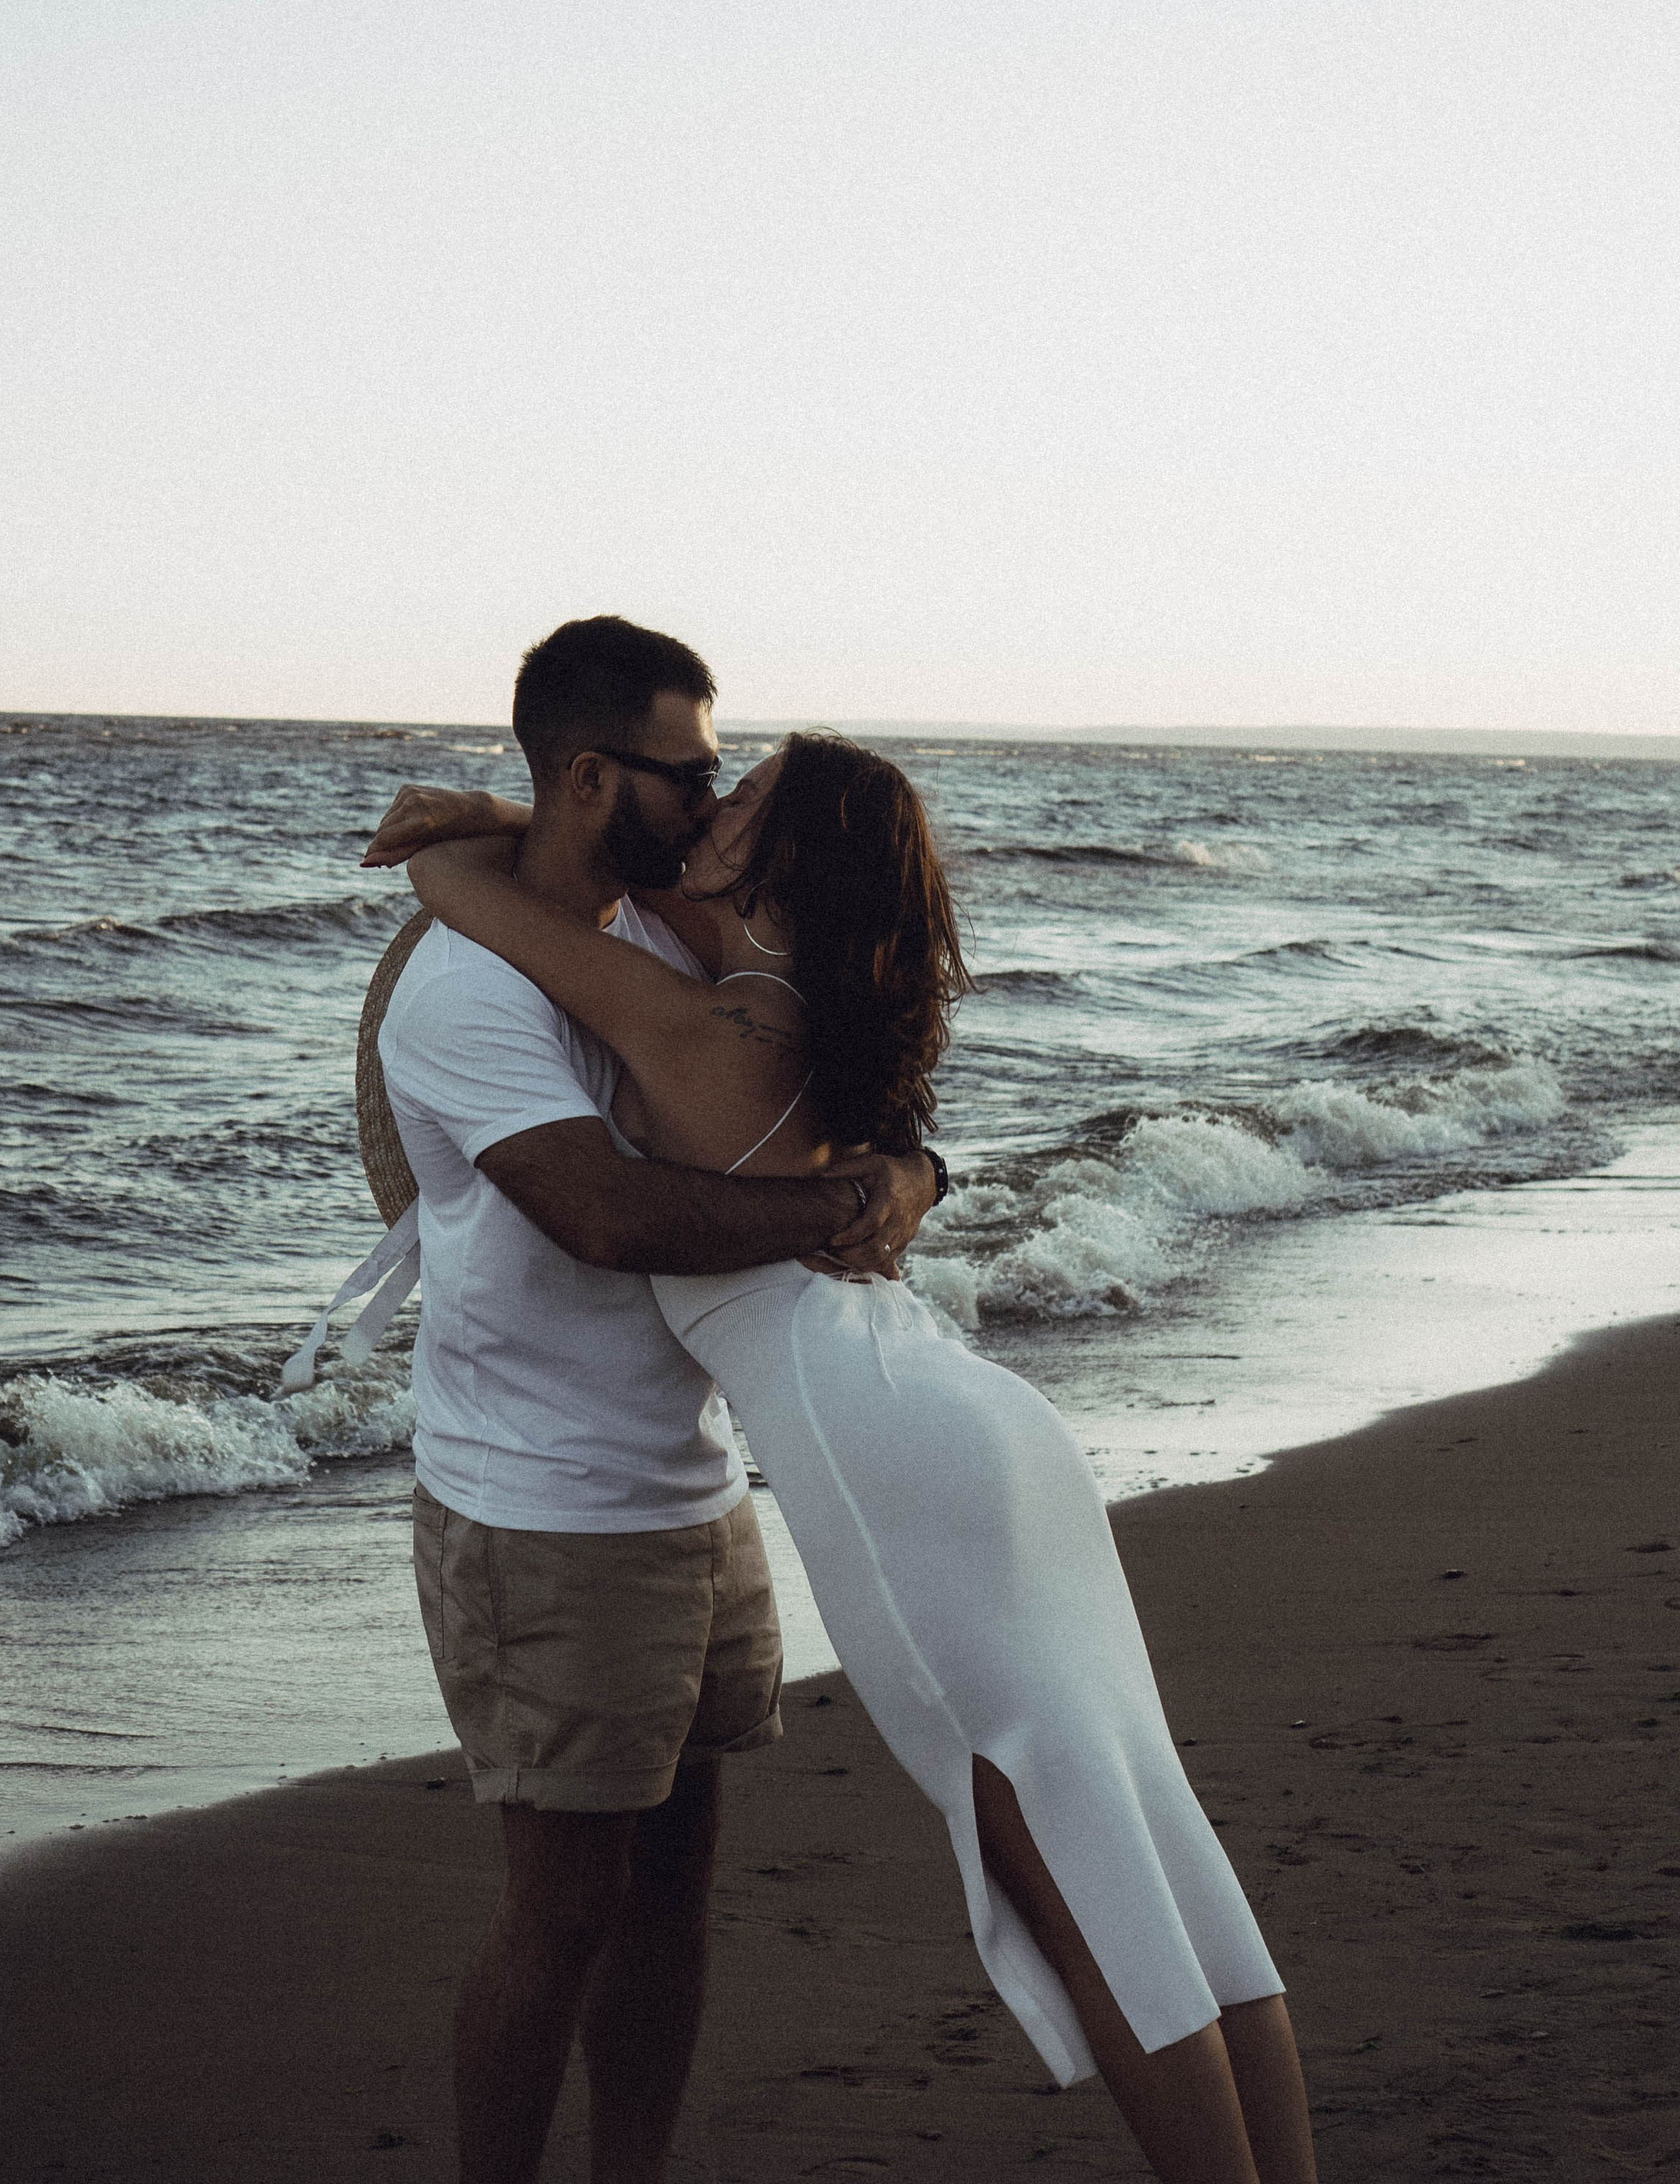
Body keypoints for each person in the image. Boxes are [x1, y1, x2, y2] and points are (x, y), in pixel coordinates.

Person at [369, 729, 1322, 2184]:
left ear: (778, 865)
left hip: (891, 1459)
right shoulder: (790, 997)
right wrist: (533, 810)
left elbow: (481, 900)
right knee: (1141, 1834)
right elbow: (608, 875)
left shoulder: (695, 1023)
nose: (706, 804)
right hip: (966, 1418)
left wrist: (468, 838)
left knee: (1066, 1868)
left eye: (734, 799)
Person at [349, 618, 940, 2184]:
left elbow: (831, 1096)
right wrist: (845, 1212)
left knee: (675, 1880)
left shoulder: (667, 938)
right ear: (592, 773)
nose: (715, 794)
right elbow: (600, 1215)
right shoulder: (468, 991)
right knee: (560, 1910)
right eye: (688, 771)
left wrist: (906, 1169)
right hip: (539, 1509)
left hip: (687, 1487)